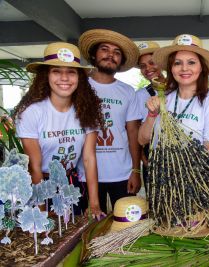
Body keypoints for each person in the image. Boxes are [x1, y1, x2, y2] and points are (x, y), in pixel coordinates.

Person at [14, 42, 105, 219]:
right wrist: (40, 209)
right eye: (56, 71)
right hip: (41, 185)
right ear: (46, 76)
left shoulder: (87, 110)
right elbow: (35, 167)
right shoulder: (32, 113)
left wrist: (94, 204)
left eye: (71, 72)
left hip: (72, 183)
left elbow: (89, 159)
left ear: (79, 77)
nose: (64, 78)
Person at [78, 29, 142, 212]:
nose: (110, 55)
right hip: (85, 174)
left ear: (121, 61)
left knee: (125, 226)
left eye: (117, 53)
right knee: (88, 229)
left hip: (121, 173)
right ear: (93, 54)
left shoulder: (128, 91)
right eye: (104, 49)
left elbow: (132, 132)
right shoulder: (80, 87)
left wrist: (136, 170)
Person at [138, 34, 209, 163]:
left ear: (201, 67)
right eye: (177, 63)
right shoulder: (163, 98)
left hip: (194, 177)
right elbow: (142, 140)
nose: (184, 68)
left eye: (191, 62)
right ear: (171, 68)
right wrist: (152, 114)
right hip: (162, 174)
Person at [135, 41, 166, 192]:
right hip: (152, 159)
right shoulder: (140, 95)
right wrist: (143, 160)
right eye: (142, 66)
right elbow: (136, 132)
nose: (148, 68)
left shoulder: (179, 90)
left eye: (152, 62)